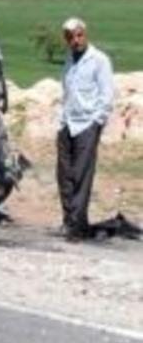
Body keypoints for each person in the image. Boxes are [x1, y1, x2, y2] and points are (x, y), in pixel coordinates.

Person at [56, 17, 115, 241]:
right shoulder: (69, 60)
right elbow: (67, 92)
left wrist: (97, 121)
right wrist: (61, 120)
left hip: (87, 125)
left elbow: (107, 95)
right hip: (67, 123)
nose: (76, 40)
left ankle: (77, 226)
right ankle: (69, 220)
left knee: (81, 175)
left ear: (85, 34)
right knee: (64, 175)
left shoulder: (99, 60)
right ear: (66, 39)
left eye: (79, 35)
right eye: (71, 37)